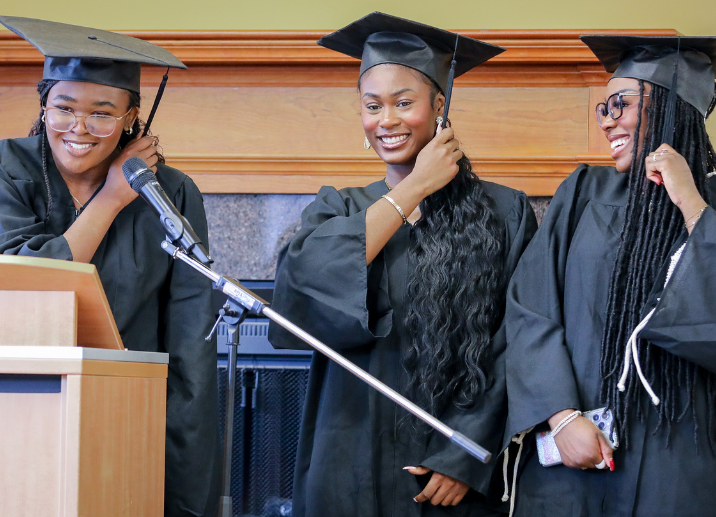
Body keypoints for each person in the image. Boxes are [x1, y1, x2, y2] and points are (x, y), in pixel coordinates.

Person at [269, 12, 537, 517]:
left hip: (454, 468)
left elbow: (519, 338)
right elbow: (296, 296)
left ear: (441, 106)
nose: (385, 120)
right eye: (372, 106)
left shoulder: (505, 212)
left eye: (403, 102)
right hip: (347, 456)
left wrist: (465, 455)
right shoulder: (338, 209)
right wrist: (415, 186)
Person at [0, 17, 219, 517]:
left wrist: (184, 462)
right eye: (63, 108)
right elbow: (31, 279)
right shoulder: (6, 170)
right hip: (14, 409)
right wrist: (113, 196)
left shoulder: (172, 193)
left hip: (128, 414)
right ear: (43, 105)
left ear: (131, 117)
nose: (78, 128)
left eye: (102, 112)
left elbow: (189, 339)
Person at [503, 35, 716, 516]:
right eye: (603, 107)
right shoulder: (583, 191)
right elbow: (530, 307)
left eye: (620, 105)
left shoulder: (713, 203)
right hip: (577, 448)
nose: (607, 120)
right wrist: (560, 418)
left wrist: (692, 205)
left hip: (681, 457)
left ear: (670, 108)